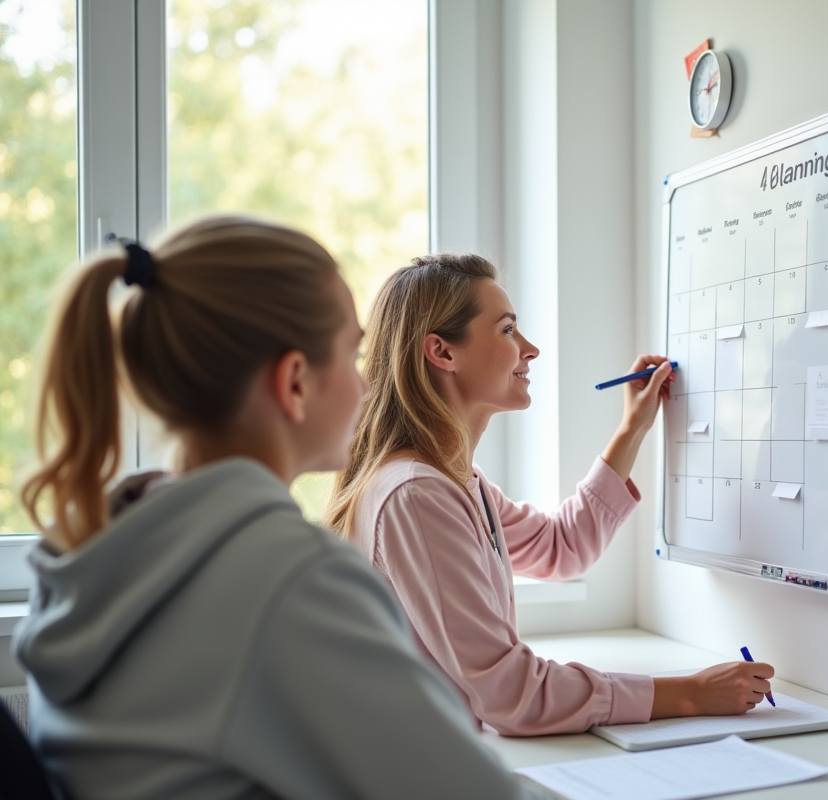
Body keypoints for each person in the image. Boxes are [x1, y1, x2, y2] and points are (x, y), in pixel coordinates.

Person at [13, 218, 534, 799]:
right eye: (352, 353)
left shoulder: (96, 537)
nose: (367, 388)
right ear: (294, 383)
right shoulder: (285, 576)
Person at [327, 253, 773, 736]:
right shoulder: (417, 494)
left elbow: (560, 548)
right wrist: (689, 694)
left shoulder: (452, 481)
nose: (530, 348)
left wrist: (632, 429)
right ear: (443, 352)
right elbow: (512, 694)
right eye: (507, 330)